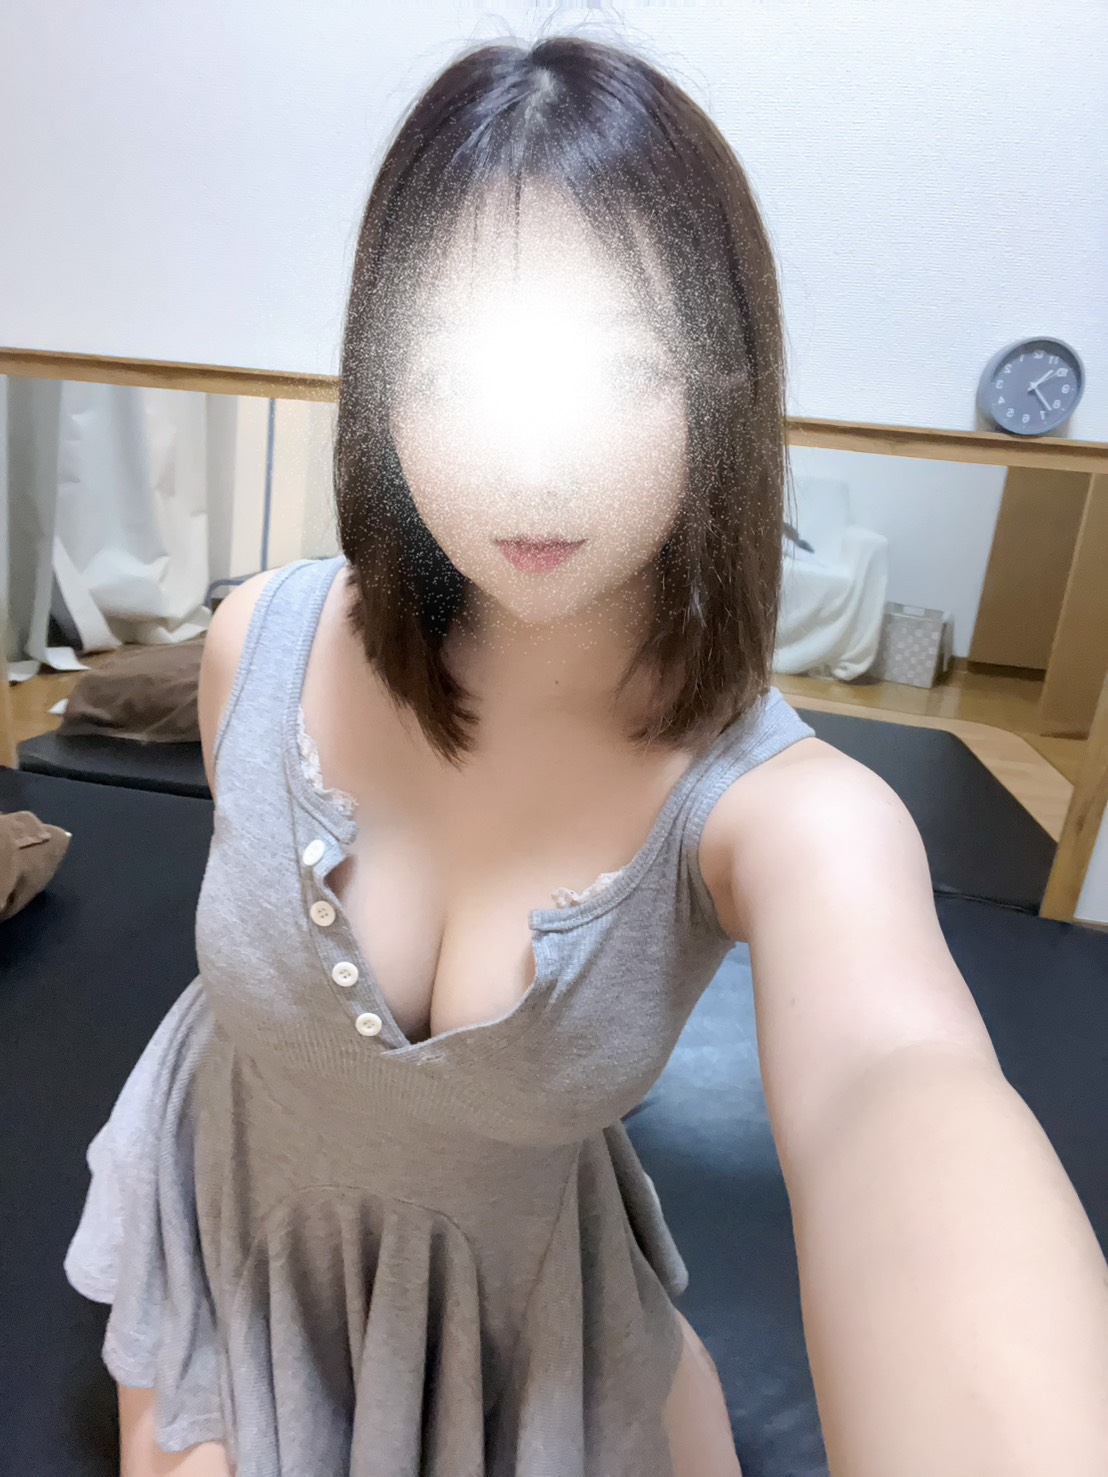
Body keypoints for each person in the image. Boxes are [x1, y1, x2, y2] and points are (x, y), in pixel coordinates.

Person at [64, 33, 1108, 1477]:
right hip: (233, 1238)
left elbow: (899, 1081)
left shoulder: (783, 813)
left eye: (619, 370)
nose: (535, 464)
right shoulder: (256, 646)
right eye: (457, 371)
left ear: (717, 389)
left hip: (529, 1310)